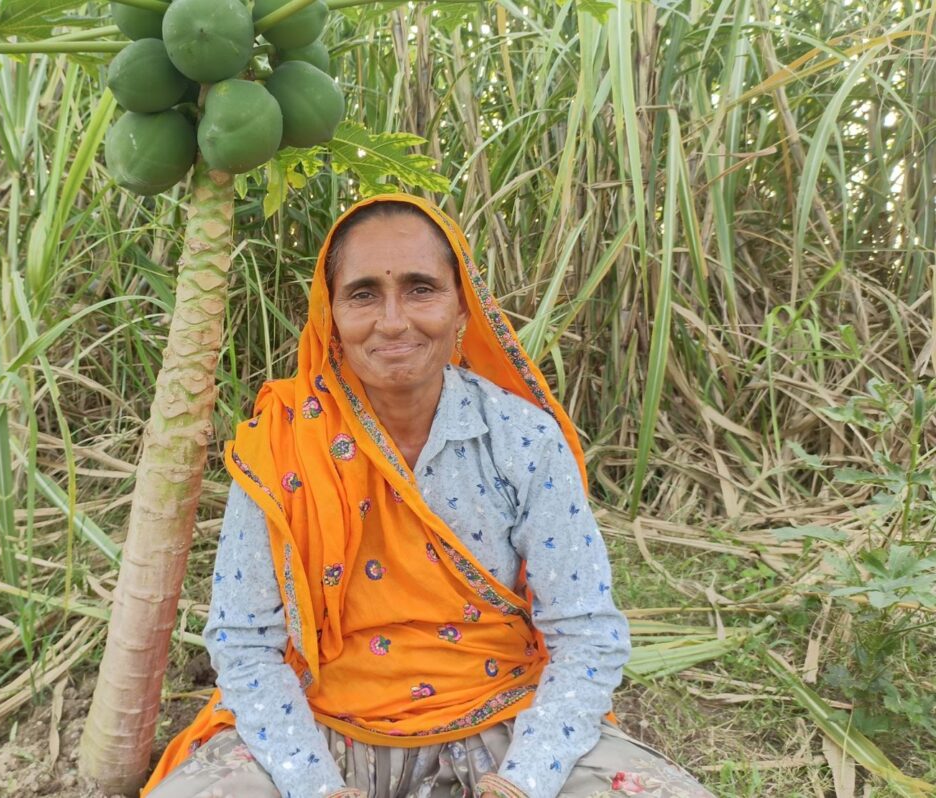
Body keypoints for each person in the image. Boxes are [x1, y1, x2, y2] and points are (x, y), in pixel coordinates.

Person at [142, 194, 712, 798]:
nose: (393, 321)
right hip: (322, 726)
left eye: (421, 289)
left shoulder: (521, 439)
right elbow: (246, 643)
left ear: (462, 305)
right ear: (329, 313)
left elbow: (586, 634)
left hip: (503, 719)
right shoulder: (283, 443)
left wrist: (523, 783)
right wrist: (315, 788)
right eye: (363, 294)